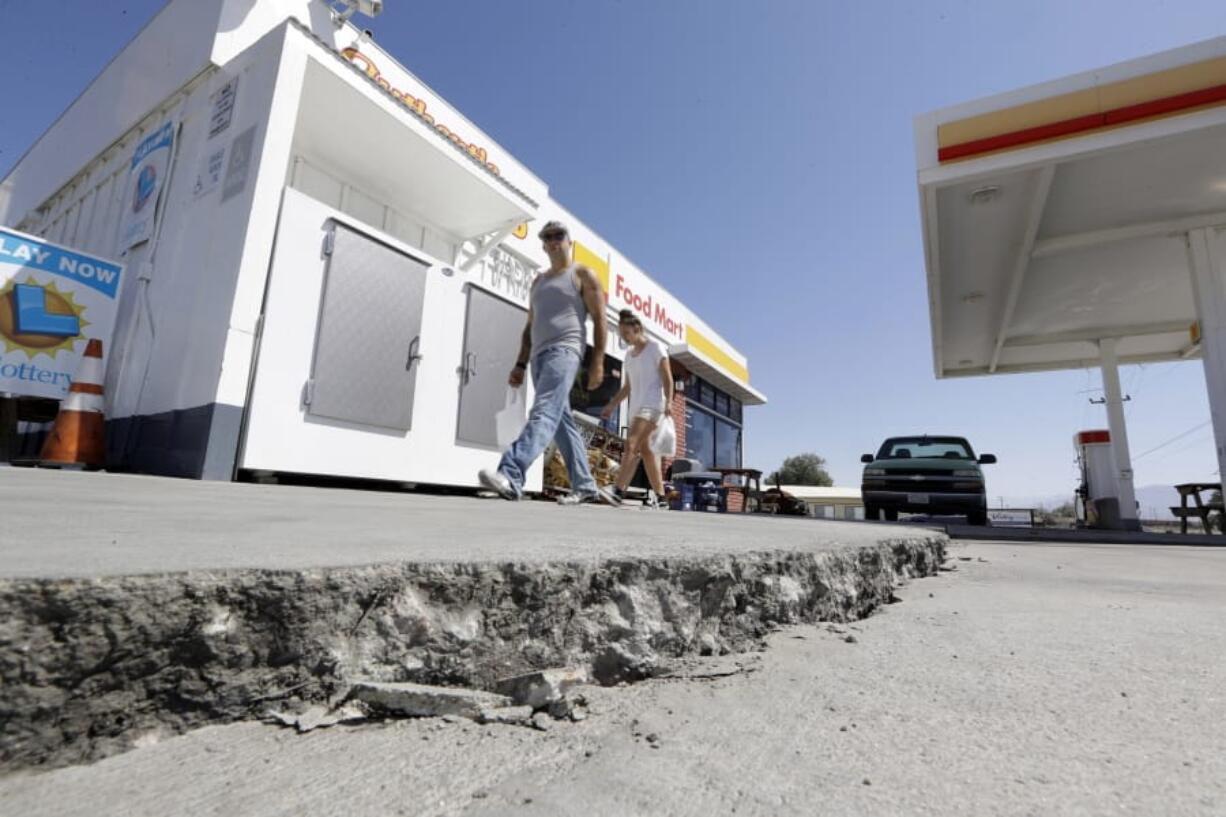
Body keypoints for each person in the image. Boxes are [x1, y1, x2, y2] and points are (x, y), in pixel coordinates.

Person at [478, 221, 620, 506]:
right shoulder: (538, 282)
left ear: (569, 241)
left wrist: (598, 363)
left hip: (565, 351)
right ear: (543, 244)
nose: (553, 240)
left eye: (559, 235)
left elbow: (601, 319)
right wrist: (520, 364)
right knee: (560, 421)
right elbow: (530, 326)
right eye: (548, 237)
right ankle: (584, 483)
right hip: (538, 357)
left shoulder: (582, 274)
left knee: (543, 410)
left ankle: (511, 474)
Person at [601, 309, 674, 509]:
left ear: (637, 328)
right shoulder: (629, 357)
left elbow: (667, 378)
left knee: (631, 444)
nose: (624, 338)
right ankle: (661, 498)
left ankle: (618, 490)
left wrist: (669, 401)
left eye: (627, 333)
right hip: (636, 409)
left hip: (653, 405)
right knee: (648, 452)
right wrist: (612, 404)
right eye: (622, 334)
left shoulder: (655, 348)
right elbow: (627, 387)